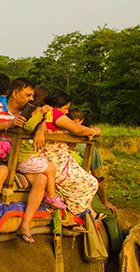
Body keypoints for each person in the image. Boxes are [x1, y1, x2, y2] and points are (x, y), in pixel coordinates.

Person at [0, 78, 65, 242]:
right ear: (15, 93)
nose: (31, 99)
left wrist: (40, 131)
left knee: (42, 178)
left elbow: (40, 121)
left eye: (32, 95)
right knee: (2, 170)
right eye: (28, 95)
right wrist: (9, 123)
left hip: (19, 160)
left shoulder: (29, 110)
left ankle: (25, 225)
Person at [37, 89, 103, 221]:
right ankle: (76, 213)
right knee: (90, 182)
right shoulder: (53, 113)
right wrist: (94, 131)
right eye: (66, 108)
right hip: (54, 159)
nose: (67, 112)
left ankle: (85, 210)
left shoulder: (41, 114)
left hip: (46, 156)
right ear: (56, 106)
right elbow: (77, 129)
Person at [67, 108, 117, 212]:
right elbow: (97, 178)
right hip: (81, 188)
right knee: (110, 216)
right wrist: (104, 201)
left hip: (61, 185)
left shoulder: (57, 139)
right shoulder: (88, 147)